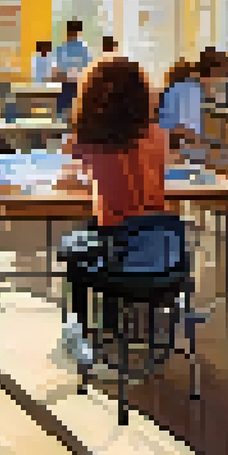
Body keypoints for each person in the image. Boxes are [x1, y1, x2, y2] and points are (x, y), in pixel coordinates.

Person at [55, 55, 172, 358]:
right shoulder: (159, 137)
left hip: (115, 251)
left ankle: (78, 327)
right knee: (105, 235)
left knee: (77, 244)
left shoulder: (88, 141)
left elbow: (65, 182)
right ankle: (121, 322)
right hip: (163, 250)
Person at [159, 49, 228, 161]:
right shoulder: (191, 92)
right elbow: (185, 133)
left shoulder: (188, 87)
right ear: (214, 76)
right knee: (227, 158)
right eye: (222, 81)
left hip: (172, 146)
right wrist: (213, 148)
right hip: (172, 150)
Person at [53, 20, 92, 116]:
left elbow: (57, 70)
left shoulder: (62, 48)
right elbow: (89, 68)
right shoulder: (84, 48)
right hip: (78, 86)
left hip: (69, 86)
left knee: (62, 113)